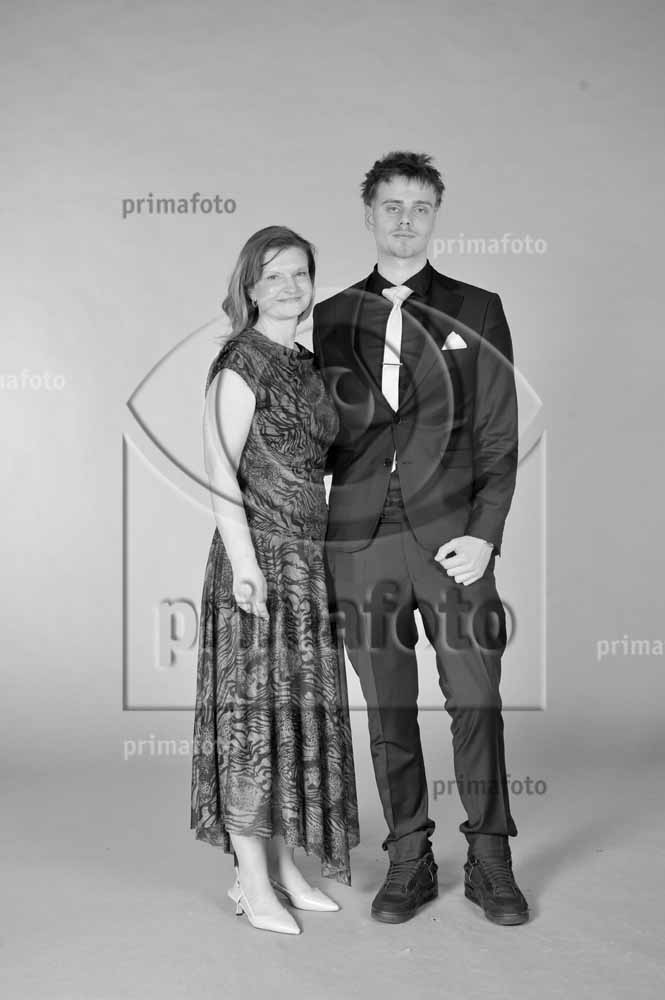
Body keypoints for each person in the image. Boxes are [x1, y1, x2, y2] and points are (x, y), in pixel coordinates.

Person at [312, 151, 529, 926]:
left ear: (435, 215)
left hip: (451, 540)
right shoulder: (330, 316)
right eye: (391, 206)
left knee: (476, 699)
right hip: (359, 540)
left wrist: (485, 535)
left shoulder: (479, 308)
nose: (405, 220)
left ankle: (490, 857)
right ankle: (408, 854)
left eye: (419, 207)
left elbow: (498, 433)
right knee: (387, 708)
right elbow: (320, 432)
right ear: (368, 214)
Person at [190, 226, 359, 936]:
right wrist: (246, 566)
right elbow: (218, 469)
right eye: (273, 275)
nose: (289, 287)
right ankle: (251, 880)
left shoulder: (308, 363)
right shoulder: (241, 362)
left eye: (300, 274)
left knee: (292, 715)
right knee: (252, 721)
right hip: (256, 561)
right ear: (250, 287)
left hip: (307, 564)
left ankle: (285, 867)